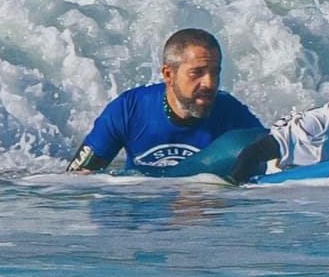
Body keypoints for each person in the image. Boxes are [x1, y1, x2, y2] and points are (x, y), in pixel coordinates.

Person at [68, 28, 265, 173]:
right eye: (197, 73)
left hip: (204, 215)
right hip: (143, 212)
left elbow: (272, 166)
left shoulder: (231, 113)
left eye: (215, 73)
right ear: (168, 74)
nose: (209, 83)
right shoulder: (129, 109)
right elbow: (78, 179)